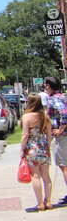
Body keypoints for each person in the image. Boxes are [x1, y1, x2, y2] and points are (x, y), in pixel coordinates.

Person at [20, 94, 52, 211]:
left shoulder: (27, 117)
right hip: (44, 148)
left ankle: (40, 203)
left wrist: (22, 149)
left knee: (35, 175)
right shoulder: (45, 116)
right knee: (46, 176)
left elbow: (25, 135)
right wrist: (47, 146)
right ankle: (48, 201)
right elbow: (49, 135)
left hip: (31, 149)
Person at [43, 77, 67, 205]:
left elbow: (64, 114)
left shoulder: (54, 99)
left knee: (64, 167)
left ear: (50, 86)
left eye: (45, 85)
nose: (44, 88)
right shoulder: (63, 97)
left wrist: (60, 130)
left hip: (62, 137)